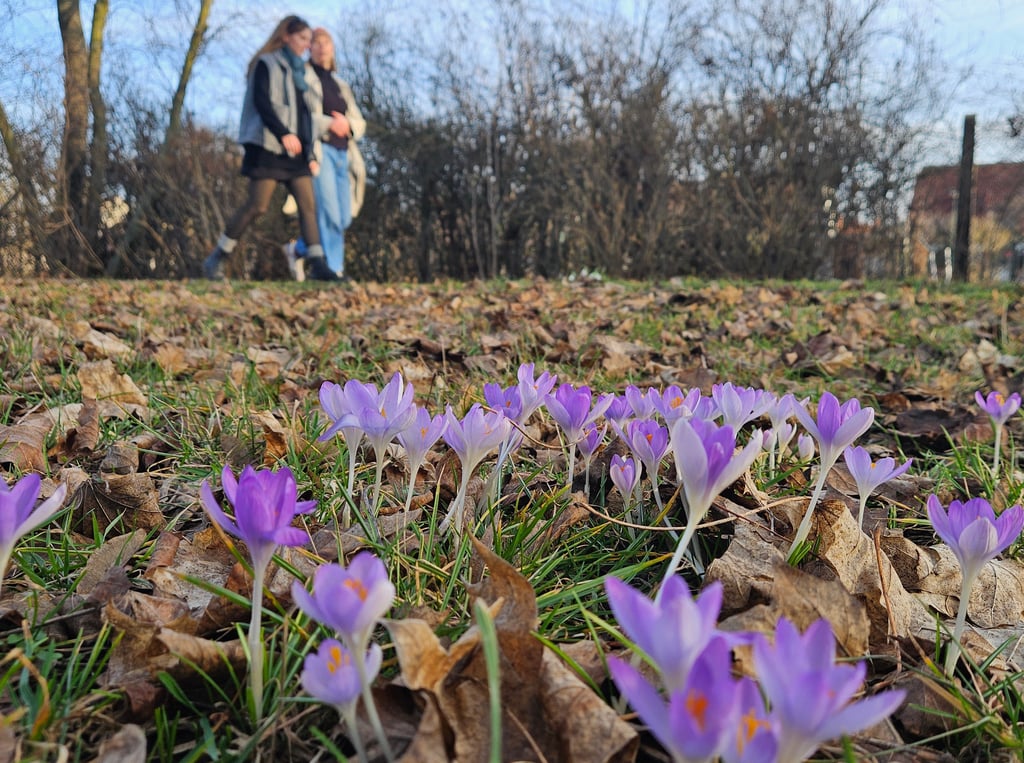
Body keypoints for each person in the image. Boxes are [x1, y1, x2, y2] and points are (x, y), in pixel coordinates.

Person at [204, 15, 337, 282]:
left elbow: (306, 116)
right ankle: (217, 258)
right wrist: (283, 133)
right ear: (286, 35)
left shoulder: (302, 72)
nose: (306, 45)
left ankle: (319, 267)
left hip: (297, 153)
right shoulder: (266, 64)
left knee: (308, 206)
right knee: (257, 206)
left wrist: (309, 152)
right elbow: (262, 102)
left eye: (309, 41)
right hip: (268, 146)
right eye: (302, 38)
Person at [281, 27, 366, 281]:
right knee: (328, 214)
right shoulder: (303, 76)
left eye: (326, 42)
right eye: (316, 42)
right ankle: (333, 270)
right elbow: (301, 115)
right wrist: (329, 123)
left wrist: (348, 125)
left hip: (345, 155)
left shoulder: (340, 84)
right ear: (310, 48)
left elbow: (358, 122)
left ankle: (298, 249)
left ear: (332, 47)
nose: (321, 46)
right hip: (321, 150)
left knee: (343, 218)